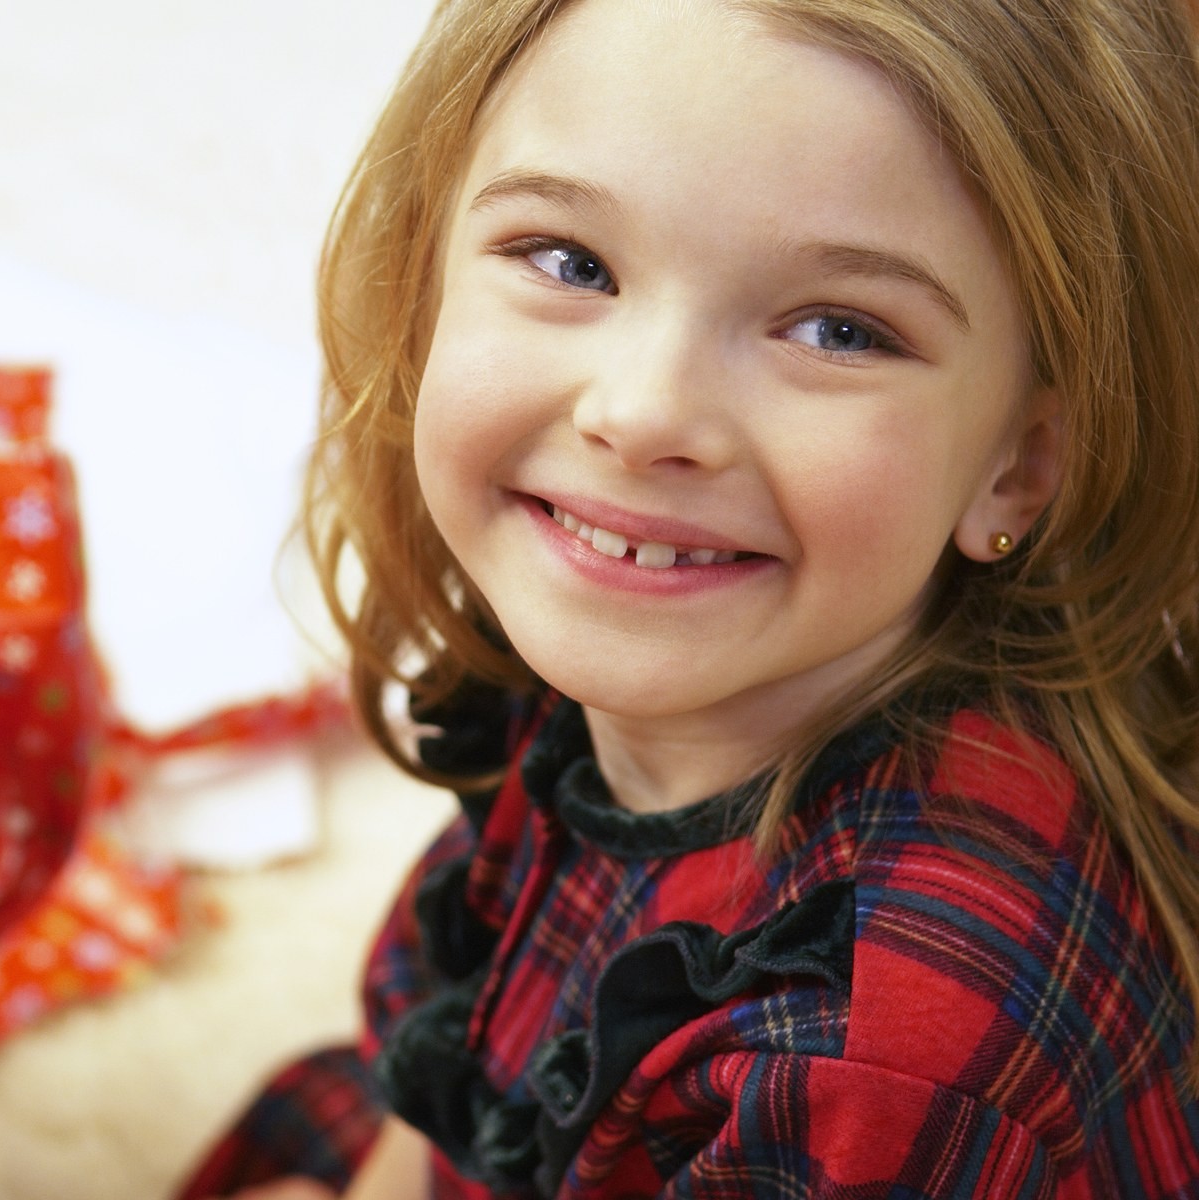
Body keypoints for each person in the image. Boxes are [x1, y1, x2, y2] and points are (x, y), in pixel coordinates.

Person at [178, 0, 1199, 1195]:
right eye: (572, 263)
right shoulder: (638, 625)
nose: (644, 411)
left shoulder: (883, 1053)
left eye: (837, 330)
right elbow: (458, 1068)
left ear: (1019, 464)